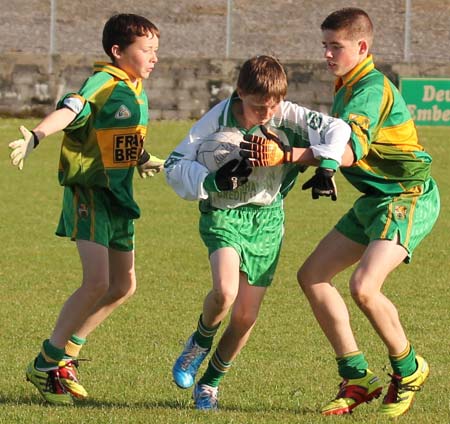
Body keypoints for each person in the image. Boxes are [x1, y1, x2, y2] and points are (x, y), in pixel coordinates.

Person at [164, 55, 353, 410]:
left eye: (273, 104)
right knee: (224, 292)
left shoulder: (286, 114)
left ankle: (210, 385)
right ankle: (199, 343)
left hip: (266, 222)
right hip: (224, 213)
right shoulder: (217, 118)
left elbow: (337, 129)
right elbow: (174, 164)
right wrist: (211, 179)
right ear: (239, 93)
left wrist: (326, 166)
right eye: (257, 106)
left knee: (246, 316)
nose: (266, 113)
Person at [8, 13, 164, 405]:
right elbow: (72, 109)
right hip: (90, 193)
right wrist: (38, 136)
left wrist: (141, 158)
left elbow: (120, 133)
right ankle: (46, 364)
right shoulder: (103, 82)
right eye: (146, 50)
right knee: (96, 282)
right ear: (118, 51)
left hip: (119, 196)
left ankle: (66, 357)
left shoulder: (135, 86)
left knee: (123, 285)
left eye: (156, 50)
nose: (154, 57)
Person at [293, 7, 440, 418]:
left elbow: (349, 150)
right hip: (375, 199)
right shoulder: (346, 85)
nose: (326, 54)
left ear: (361, 46)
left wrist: (290, 155)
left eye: (335, 46)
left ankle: (409, 369)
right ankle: (356, 376)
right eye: (324, 45)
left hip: (406, 196)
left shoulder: (369, 89)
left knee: (364, 286)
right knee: (312, 276)